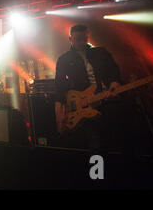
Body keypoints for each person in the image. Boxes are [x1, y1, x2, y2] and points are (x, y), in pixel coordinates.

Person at [54, 24, 142, 154]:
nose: (82, 42)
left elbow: (114, 70)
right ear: (70, 39)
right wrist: (59, 113)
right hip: (85, 106)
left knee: (120, 139)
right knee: (96, 145)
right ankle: (98, 173)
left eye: (85, 38)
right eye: (78, 39)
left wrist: (114, 83)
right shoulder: (64, 59)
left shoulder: (101, 52)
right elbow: (60, 86)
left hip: (108, 101)